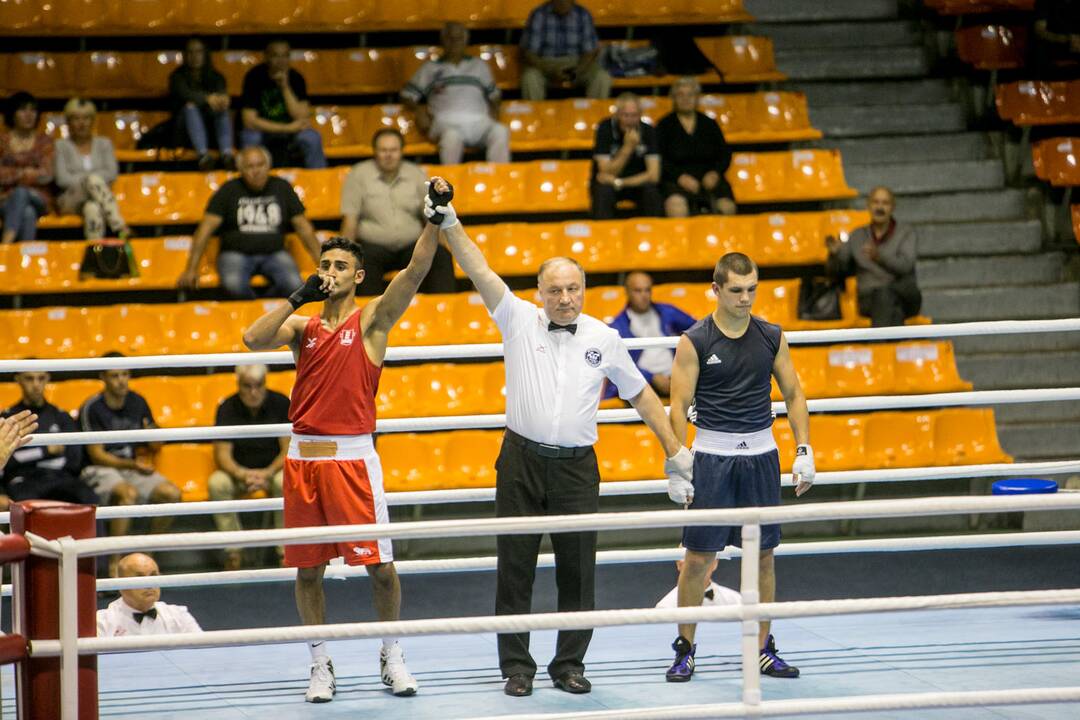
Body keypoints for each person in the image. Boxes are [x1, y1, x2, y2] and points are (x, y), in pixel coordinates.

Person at [425, 178, 693, 698]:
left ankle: (569, 663)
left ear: (584, 290)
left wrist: (676, 451)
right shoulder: (517, 319)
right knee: (515, 568)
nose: (565, 299)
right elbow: (478, 267)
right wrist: (449, 220)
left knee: (578, 571)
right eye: (555, 290)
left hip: (576, 466)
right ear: (539, 293)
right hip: (520, 460)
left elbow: (641, 396)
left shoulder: (606, 337)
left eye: (573, 289)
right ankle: (516, 667)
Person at [241, 214, 441, 703]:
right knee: (308, 570)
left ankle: (392, 655)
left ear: (358, 277)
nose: (329, 271)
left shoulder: (371, 320)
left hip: (353, 461)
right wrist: (297, 296)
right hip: (304, 460)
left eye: (340, 265)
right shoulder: (301, 325)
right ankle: (319, 663)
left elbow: (414, 272)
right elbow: (251, 339)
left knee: (381, 568)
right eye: (323, 263)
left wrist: (435, 220)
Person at [664, 252, 815, 683]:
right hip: (712, 456)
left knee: (764, 556)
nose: (745, 299)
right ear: (716, 289)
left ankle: (763, 647)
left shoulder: (771, 335)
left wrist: (804, 449)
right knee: (697, 560)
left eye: (752, 290)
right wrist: (678, 462)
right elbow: (677, 404)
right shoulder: (696, 339)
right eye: (736, 291)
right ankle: (685, 649)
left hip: (761, 457)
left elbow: (795, 394)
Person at [79, 355, 181, 576]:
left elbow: (156, 443)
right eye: (115, 375)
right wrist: (133, 465)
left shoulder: (138, 401)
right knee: (128, 494)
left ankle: (146, 555)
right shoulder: (92, 407)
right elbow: (96, 455)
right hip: (100, 469)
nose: (121, 381)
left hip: (131, 467)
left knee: (171, 494)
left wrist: (152, 434)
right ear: (103, 377)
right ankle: (116, 563)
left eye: (125, 374)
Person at [177, 146, 320, 299]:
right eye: (250, 166)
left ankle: (268, 311)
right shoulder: (228, 190)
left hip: (275, 252)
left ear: (268, 166)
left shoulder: (282, 187)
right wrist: (191, 268)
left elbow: (304, 227)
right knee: (233, 285)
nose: (256, 171)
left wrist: (323, 263)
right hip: (235, 254)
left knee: (294, 285)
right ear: (240, 169)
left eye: (260, 165)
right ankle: (258, 315)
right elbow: (205, 229)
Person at [339, 128, 454, 295]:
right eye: (383, 150)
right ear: (375, 152)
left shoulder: (416, 174)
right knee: (360, 262)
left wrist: (443, 246)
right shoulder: (358, 175)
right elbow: (350, 220)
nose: (388, 155)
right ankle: (370, 319)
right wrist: (343, 258)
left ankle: (445, 312)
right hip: (373, 249)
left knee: (441, 256)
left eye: (393, 150)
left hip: (412, 247)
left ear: (401, 151)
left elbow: (432, 216)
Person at [208, 364, 289, 570]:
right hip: (238, 471)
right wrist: (242, 474)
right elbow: (222, 454)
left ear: (265, 383)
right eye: (247, 386)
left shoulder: (281, 403)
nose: (253, 392)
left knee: (286, 481)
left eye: (258, 385)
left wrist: (267, 473)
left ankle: (285, 551)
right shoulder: (227, 407)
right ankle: (233, 550)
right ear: (238, 385)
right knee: (217, 483)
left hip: (274, 470)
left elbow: (289, 449)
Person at [401, 22, 510, 166]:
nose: (454, 43)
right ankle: (451, 185)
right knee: (451, 137)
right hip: (446, 122)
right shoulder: (430, 68)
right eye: (449, 38)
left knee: (500, 131)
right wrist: (418, 110)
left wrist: (495, 108)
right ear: (443, 41)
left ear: (465, 41)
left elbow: (494, 95)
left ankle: (499, 182)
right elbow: (407, 95)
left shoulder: (479, 65)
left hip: (479, 120)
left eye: (458, 38)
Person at [825, 186, 921, 328]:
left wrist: (879, 256)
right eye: (876, 202)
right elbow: (837, 270)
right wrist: (834, 254)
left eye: (885, 203)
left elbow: (905, 266)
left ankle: (880, 346)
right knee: (889, 305)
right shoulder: (857, 236)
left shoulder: (906, 233)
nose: (880, 207)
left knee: (887, 295)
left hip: (904, 296)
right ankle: (889, 346)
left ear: (893, 207)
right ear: (868, 205)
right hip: (869, 299)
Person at [1, 370, 96, 510]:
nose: (36, 384)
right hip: (23, 479)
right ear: (18, 380)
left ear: (47, 379)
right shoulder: (8, 417)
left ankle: (97, 533)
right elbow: (7, 460)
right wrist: (46, 451)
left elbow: (74, 459)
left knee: (89, 498)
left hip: (59, 477)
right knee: (22, 505)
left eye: (41, 378)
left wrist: (28, 456)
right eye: (29, 378)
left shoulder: (61, 416)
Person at [607, 271, 696, 397]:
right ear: (627, 292)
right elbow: (619, 365)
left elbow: (698, 329)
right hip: (641, 383)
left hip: (675, 376)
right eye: (638, 291)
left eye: (647, 290)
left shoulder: (667, 312)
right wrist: (651, 377)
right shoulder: (617, 326)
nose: (644, 295)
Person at [240, 39, 326, 169]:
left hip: (293, 131)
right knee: (251, 138)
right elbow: (249, 121)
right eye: (275, 55)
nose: (281, 61)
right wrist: (287, 128)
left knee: (311, 137)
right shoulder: (254, 77)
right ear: (266, 57)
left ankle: (319, 182)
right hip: (264, 131)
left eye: (285, 55)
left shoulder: (296, 78)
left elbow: (301, 117)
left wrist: (285, 87)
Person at [54, 98, 131, 241]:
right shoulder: (60, 146)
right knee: (93, 179)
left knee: (92, 209)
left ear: (92, 121)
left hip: (97, 199)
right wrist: (87, 180)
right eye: (76, 119)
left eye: (86, 118)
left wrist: (82, 177)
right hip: (70, 199)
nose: (82, 123)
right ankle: (118, 225)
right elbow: (62, 179)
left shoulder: (104, 144)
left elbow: (112, 172)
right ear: (68, 122)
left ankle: (95, 252)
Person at [656, 77, 735, 218]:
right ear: (673, 98)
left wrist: (715, 173)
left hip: (709, 178)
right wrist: (679, 177)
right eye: (680, 95)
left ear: (697, 98)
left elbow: (725, 154)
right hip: (675, 180)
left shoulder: (709, 124)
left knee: (727, 207)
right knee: (676, 207)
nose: (686, 99)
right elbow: (659, 159)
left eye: (690, 95)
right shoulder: (664, 125)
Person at [520, 0, 611, 101]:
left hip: (577, 63)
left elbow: (590, 52)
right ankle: (535, 116)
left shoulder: (583, 14)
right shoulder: (539, 14)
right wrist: (550, 70)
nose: (563, 3)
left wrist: (576, 72)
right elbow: (529, 53)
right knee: (530, 78)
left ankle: (595, 115)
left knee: (602, 78)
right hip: (546, 63)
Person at [591, 93, 662, 220]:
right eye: (625, 115)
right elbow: (605, 171)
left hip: (634, 182)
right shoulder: (605, 128)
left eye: (634, 115)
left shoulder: (648, 131)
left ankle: (653, 235)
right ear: (617, 114)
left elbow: (653, 175)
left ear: (640, 114)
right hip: (609, 185)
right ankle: (604, 235)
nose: (630, 120)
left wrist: (621, 183)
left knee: (652, 192)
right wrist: (627, 147)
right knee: (603, 191)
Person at [169, 36, 235, 171]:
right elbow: (186, 94)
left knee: (223, 110)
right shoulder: (177, 77)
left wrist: (222, 101)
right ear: (185, 55)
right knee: (190, 107)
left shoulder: (216, 77)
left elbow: (222, 96)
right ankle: (203, 156)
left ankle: (227, 154)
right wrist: (207, 99)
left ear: (205, 54)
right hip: (184, 133)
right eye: (190, 52)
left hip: (211, 129)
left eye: (199, 52)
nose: (195, 56)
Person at [97, 553, 203, 636]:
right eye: (140, 578)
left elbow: (204, 653)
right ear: (120, 584)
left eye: (153, 576)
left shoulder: (178, 614)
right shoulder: (102, 622)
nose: (149, 584)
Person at [1, 92, 54, 244]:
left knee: (21, 192)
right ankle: (23, 259)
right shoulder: (2, 141)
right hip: (4, 199)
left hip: (39, 197)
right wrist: (28, 173)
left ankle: (5, 246)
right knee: (28, 213)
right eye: (23, 110)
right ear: (12, 114)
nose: (29, 115)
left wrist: (12, 174)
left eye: (33, 110)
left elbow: (47, 174)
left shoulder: (45, 142)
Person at [654, 553, 740, 609]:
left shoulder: (736, 601)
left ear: (715, 563)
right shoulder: (665, 606)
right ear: (679, 565)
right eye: (691, 563)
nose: (698, 567)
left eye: (704, 561)